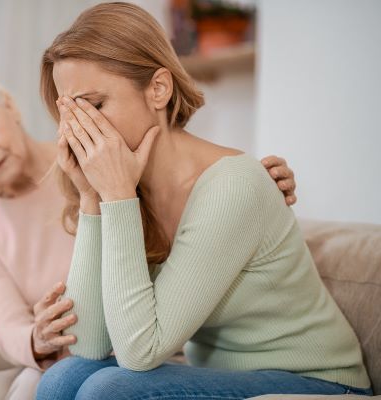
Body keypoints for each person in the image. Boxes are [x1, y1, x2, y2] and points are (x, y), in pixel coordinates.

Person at [35, 3, 372, 399]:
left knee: (109, 390)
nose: (81, 130)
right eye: (70, 114)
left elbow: (140, 353)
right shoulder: (127, 189)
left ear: (158, 89)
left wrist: (117, 195)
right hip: (219, 375)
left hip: (315, 379)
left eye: (92, 106)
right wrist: (93, 196)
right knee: (63, 378)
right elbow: (89, 344)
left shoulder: (233, 186)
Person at [0, 70, 299, 399]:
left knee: (49, 385)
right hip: (73, 347)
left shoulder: (96, 159)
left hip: (143, 335)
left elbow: (188, 182)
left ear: (9, 106)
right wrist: (37, 337)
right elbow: (7, 325)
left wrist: (255, 180)